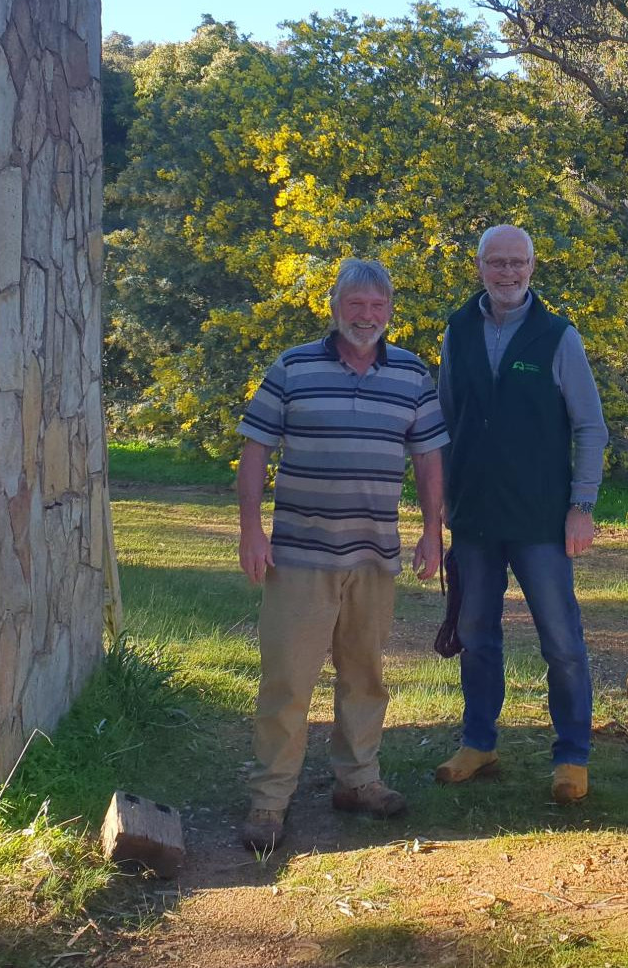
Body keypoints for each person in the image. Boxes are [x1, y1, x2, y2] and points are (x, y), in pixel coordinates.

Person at [235, 259, 447, 854]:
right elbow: (255, 451)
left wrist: (433, 533)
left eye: (378, 307)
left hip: (375, 556)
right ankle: (270, 800)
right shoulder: (294, 366)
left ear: (390, 313)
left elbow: (429, 459)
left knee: (364, 676)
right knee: (288, 681)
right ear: (334, 307)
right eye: (356, 304)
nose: (367, 316)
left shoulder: (411, 374)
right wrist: (252, 531)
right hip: (300, 557)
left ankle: (358, 781)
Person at [434, 225, 609, 805]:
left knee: (561, 641)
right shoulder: (457, 331)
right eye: (496, 263)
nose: (507, 273)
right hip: (475, 517)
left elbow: (589, 427)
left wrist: (582, 507)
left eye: (518, 263)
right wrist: (437, 510)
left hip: (541, 518)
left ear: (533, 266)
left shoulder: (558, 337)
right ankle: (478, 742)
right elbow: (442, 424)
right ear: (479, 266)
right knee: (475, 634)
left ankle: (572, 756)